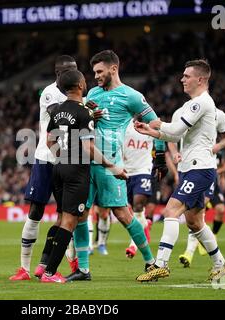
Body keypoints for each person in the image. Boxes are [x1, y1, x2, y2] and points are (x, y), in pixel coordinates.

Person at [69, 50, 167, 282]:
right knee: (81, 214)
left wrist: (160, 153)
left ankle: (150, 263)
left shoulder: (131, 96)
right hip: (87, 162)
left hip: (110, 164)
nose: (96, 76)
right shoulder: (92, 93)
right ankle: (83, 270)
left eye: (100, 72)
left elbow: (155, 122)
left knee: (122, 213)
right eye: (94, 72)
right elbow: (83, 120)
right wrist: (90, 113)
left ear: (114, 69)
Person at [135, 59, 225, 282]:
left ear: (200, 79)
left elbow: (175, 128)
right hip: (192, 169)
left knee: (170, 211)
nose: (182, 79)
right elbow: (175, 136)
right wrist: (150, 131)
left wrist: (157, 124)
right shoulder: (191, 105)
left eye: (186, 76)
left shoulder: (202, 103)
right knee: (195, 222)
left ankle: (161, 264)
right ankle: (220, 264)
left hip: (200, 168)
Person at [40, 69, 127, 283]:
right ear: (80, 85)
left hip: (59, 167)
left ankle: (46, 268)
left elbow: (49, 141)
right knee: (70, 221)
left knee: (64, 219)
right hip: (76, 171)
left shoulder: (58, 110)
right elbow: (88, 148)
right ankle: (50, 273)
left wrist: (62, 157)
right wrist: (111, 166)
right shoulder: (84, 112)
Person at [10, 55, 79, 281]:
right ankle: (24, 269)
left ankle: (47, 265)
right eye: (69, 71)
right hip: (45, 158)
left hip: (67, 161)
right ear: (58, 73)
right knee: (36, 211)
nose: (73, 74)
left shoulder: (78, 96)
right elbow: (59, 114)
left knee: (64, 216)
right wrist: (85, 108)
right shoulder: (50, 92)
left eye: (75, 70)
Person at [175, 107, 225, 267]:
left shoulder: (216, 142)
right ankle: (192, 252)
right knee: (196, 216)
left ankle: (208, 239)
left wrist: (222, 174)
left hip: (210, 176)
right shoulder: (192, 129)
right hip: (197, 173)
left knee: (215, 211)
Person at [123, 118, 154, 258]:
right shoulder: (125, 123)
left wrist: (160, 158)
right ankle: (145, 226)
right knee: (135, 211)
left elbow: (162, 137)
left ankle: (133, 245)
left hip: (143, 170)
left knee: (138, 204)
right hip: (125, 172)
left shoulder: (151, 126)